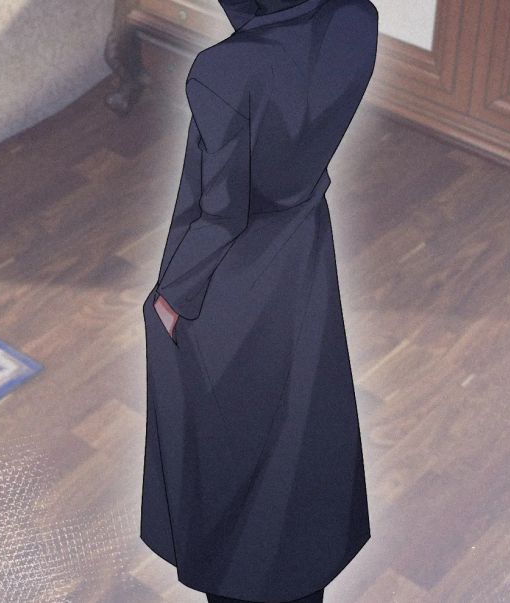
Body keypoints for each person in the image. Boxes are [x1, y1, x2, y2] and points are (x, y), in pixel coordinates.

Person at [140, 0, 380, 601]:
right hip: (303, 255)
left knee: (231, 471)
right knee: (299, 434)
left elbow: (221, 212)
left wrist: (173, 296)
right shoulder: (358, 20)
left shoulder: (224, 70)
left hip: (229, 282)